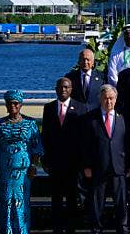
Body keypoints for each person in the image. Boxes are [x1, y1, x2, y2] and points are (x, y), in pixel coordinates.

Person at [0, 89, 43, 234]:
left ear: (21, 104)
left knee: (21, 204)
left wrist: (33, 166)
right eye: (9, 103)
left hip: (23, 173)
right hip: (4, 172)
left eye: (15, 103)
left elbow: (37, 148)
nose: (12, 106)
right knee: (5, 204)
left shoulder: (30, 123)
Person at [41, 77, 86, 234]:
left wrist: (83, 162)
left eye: (66, 87)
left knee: (72, 198)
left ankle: (71, 228)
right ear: (56, 89)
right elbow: (45, 135)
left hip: (74, 163)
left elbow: (83, 137)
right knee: (56, 199)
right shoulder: (49, 108)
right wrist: (45, 159)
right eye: (60, 87)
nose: (63, 90)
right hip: (55, 162)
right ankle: (57, 228)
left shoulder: (81, 108)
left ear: (71, 89)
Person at [83, 85, 130, 234]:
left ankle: (122, 229)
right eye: (105, 98)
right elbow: (85, 144)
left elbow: (128, 143)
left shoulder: (123, 118)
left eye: (111, 98)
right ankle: (96, 229)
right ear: (100, 99)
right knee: (97, 202)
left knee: (121, 202)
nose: (108, 101)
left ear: (115, 100)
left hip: (119, 166)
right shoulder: (91, 118)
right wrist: (87, 165)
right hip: (98, 167)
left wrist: (128, 166)